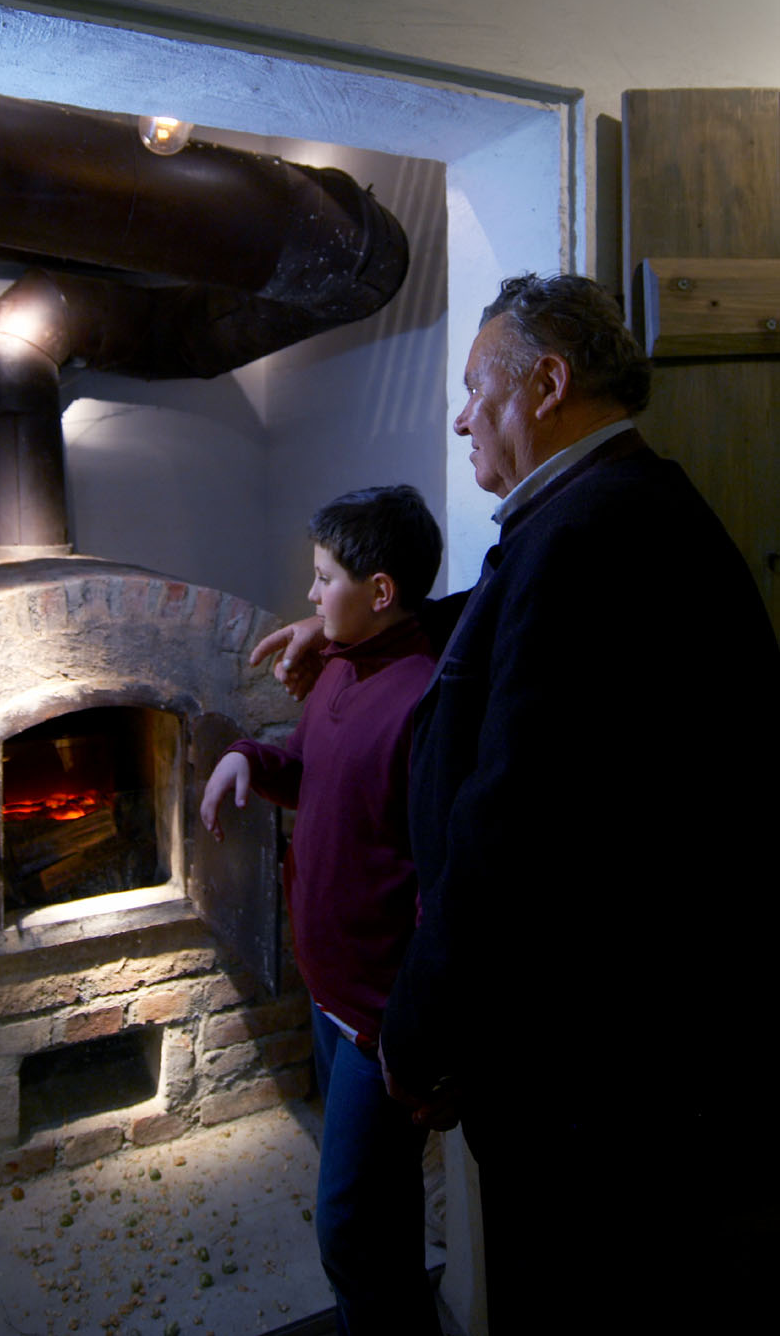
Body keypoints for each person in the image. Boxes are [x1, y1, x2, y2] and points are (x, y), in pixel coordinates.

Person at [254, 274, 780, 1334]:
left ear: (545, 385)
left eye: (473, 391)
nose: (456, 417)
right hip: (611, 1060)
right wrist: (352, 628)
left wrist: (414, 1029)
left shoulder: (591, 539)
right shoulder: (602, 513)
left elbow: (508, 834)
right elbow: (506, 618)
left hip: (597, 1076)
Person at [200, 485, 452, 1335]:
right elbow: (304, 769)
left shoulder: (421, 700)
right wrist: (246, 759)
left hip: (378, 1027)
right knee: (382, 1218)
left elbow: (434, 886)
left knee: (347, 1228)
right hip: (326, 994)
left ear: (380, 592)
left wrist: (405, 1033)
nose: (308, 599)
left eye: (322, 579)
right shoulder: (342, 665)